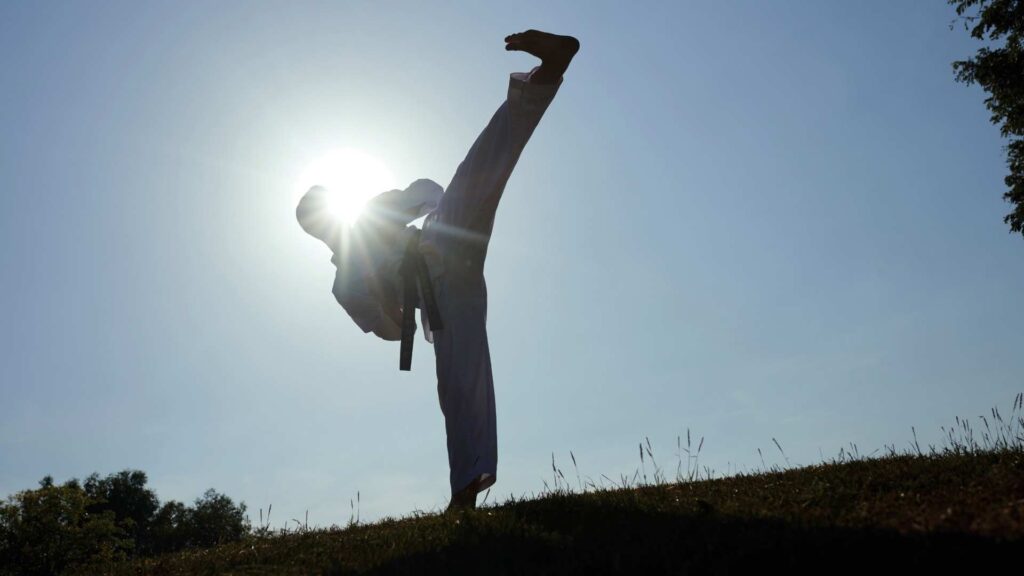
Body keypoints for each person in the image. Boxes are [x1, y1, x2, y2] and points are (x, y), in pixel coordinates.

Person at [296, 30, 579, 510]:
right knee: (457, 383)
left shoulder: (372, 213)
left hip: (444, 239)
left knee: (483, 163)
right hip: (442, 302)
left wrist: (441, 217)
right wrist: (392, 304)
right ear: (314, 232)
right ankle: (466, 489)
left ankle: (549, 71)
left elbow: (426, 190)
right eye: (316, 222)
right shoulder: (345, 284)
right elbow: (390, 331)